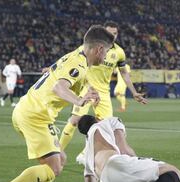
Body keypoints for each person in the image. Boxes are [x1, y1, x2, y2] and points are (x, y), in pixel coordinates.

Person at [0, 25, 115, 182]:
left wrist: (88, 93)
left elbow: (62, 77)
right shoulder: (78, 64)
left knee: (60, 159)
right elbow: (59, 87)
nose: (106, 56)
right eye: (106, 51)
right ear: (99, 49)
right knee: (53, 167)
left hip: (29, 110)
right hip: (35, 115)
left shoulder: (75, 57)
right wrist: (80, 101)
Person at [59, 21, 147, 152]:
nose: (113, 35)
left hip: (104, 92)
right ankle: (58, 151)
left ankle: (86, 154)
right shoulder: (91, 46)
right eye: (109, 33)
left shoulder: (119, 52)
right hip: (86, 88)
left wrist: (133, 92)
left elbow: (124, 73)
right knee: (74, 121)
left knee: (105, 127)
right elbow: (70, 57)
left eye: (115, 33)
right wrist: (52, 68)